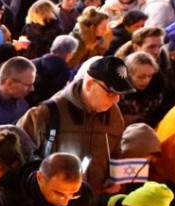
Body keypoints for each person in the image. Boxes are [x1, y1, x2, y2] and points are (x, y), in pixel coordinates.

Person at [18, 56, 134, 193]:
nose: (116, 100)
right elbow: (20, 160)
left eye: (120, 94)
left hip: (93, 202)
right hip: (54, 202)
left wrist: (116, 179)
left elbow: (116, 152)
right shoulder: (46, 113)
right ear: (90, 84)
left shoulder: (114, 114)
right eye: (111, 93)